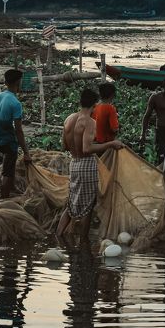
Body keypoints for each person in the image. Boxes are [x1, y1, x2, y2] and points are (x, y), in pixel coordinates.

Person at [54, 88, 124, 245]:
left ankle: (58, 236)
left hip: (74, 163)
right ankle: (83, 242)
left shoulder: (69, 119)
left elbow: (64, 146)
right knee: (88, 205)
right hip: (86, 164)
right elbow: (87, 149)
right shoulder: (90, 122)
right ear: (94, 104)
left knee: (72, 203)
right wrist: (111, 144)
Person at [0, 68, 32, 198]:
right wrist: (26, 153)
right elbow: (19, 131)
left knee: (9, 164)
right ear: (18, 82)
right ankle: (3, 199)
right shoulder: (15, 103)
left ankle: (11, 187)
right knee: (7, 173)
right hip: (8, 143)